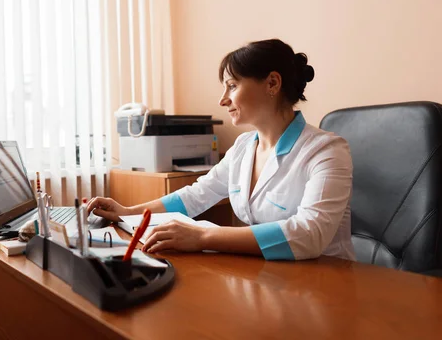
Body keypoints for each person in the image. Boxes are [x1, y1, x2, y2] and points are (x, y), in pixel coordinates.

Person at [87, 39, 355, 261]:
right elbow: (196, 196)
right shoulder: (243, 147)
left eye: (232, 85)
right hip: (271, 276)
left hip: (325, 281)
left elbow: (309, 234)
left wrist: (202, 237)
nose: (222, 99)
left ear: (272, 83)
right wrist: (129, 212)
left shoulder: (326, 151)